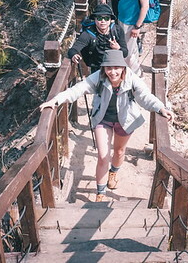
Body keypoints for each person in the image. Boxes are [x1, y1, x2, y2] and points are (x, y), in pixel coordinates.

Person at [39, 49, 173, 202]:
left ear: (123, 67)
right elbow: (77, 89)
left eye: (116, 68)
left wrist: (161, 108)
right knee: (103, 156)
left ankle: (113, 173)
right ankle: (100, 193)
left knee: (119, 151)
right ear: (104, 68)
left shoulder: (132, 79)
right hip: (103, 119)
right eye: (109, 68)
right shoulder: (99, 78)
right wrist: (55, 100)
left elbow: (145, 97)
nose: (112, 72)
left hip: (125, 120)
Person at [109, 0, 153, 73]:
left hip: (131, 22)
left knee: (126, 52)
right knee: (130, 49)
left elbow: (145, 6)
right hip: (122, 19)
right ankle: (135, 71)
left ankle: (135, 75)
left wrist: (137, 26)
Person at [68, 4, 128, 73]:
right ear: (95, 19)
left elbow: (125, 53)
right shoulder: (88, 34)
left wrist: (118, 48)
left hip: (114, 66)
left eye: (106, 18)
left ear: (110, 20)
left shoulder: (117, 30)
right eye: (99, 18)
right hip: (97, 68)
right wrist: (74, 55)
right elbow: (73, 50)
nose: (103, 21)